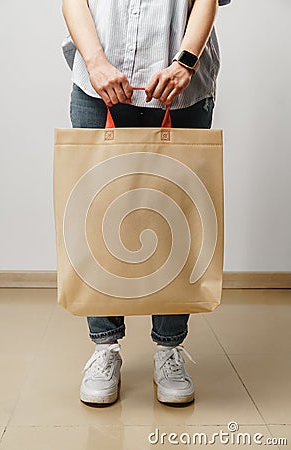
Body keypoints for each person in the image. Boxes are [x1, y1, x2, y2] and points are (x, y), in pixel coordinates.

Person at [62, 0, 230, 406]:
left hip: (181, 85)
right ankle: (105, 349)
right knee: (96, 219)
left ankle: (169, 349)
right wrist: (96, 62)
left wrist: (186, 62)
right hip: (97, 82)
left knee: (181, 219)